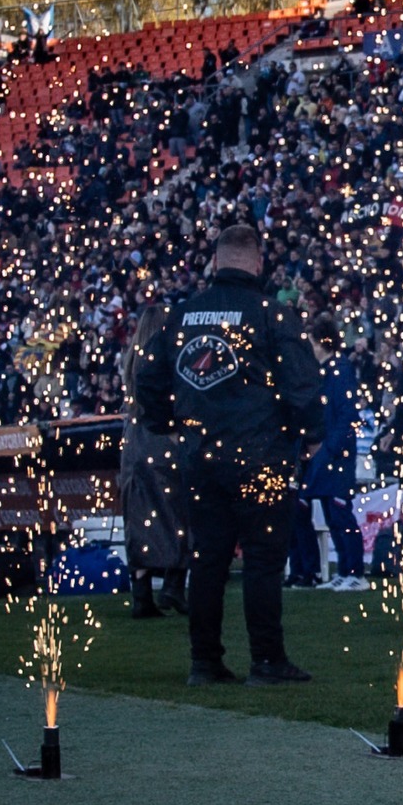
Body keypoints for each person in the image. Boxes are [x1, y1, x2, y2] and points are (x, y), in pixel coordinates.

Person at [136, 223, 324, 686]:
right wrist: (311, 435)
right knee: (262, 560)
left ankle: (204, 662)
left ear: (215, 261)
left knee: (208, 560)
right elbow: (302, 383)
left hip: (201, 458)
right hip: (262, 455)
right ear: (258, 262)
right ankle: (267, 660)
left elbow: (148, 377)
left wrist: (167, 425)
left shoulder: (181, 315)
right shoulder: (272, 315)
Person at [118, 303, 189, 619]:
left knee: (139, 518)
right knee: (180, 511)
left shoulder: (131, 358)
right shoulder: (165, 357)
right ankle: (174, 583)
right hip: (162, 438)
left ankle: (141, 596)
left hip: (134, 440)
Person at [288, 321, 368, 592]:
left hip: (338, 454)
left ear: (323, 342)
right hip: (326, 453)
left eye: (311, 342)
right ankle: (344, 571)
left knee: (341, 511)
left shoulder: (341, 370)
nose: (309, 348)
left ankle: (356, 573)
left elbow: (347, 414)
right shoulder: (324, 371)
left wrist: (330, 447)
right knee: (332, 514)